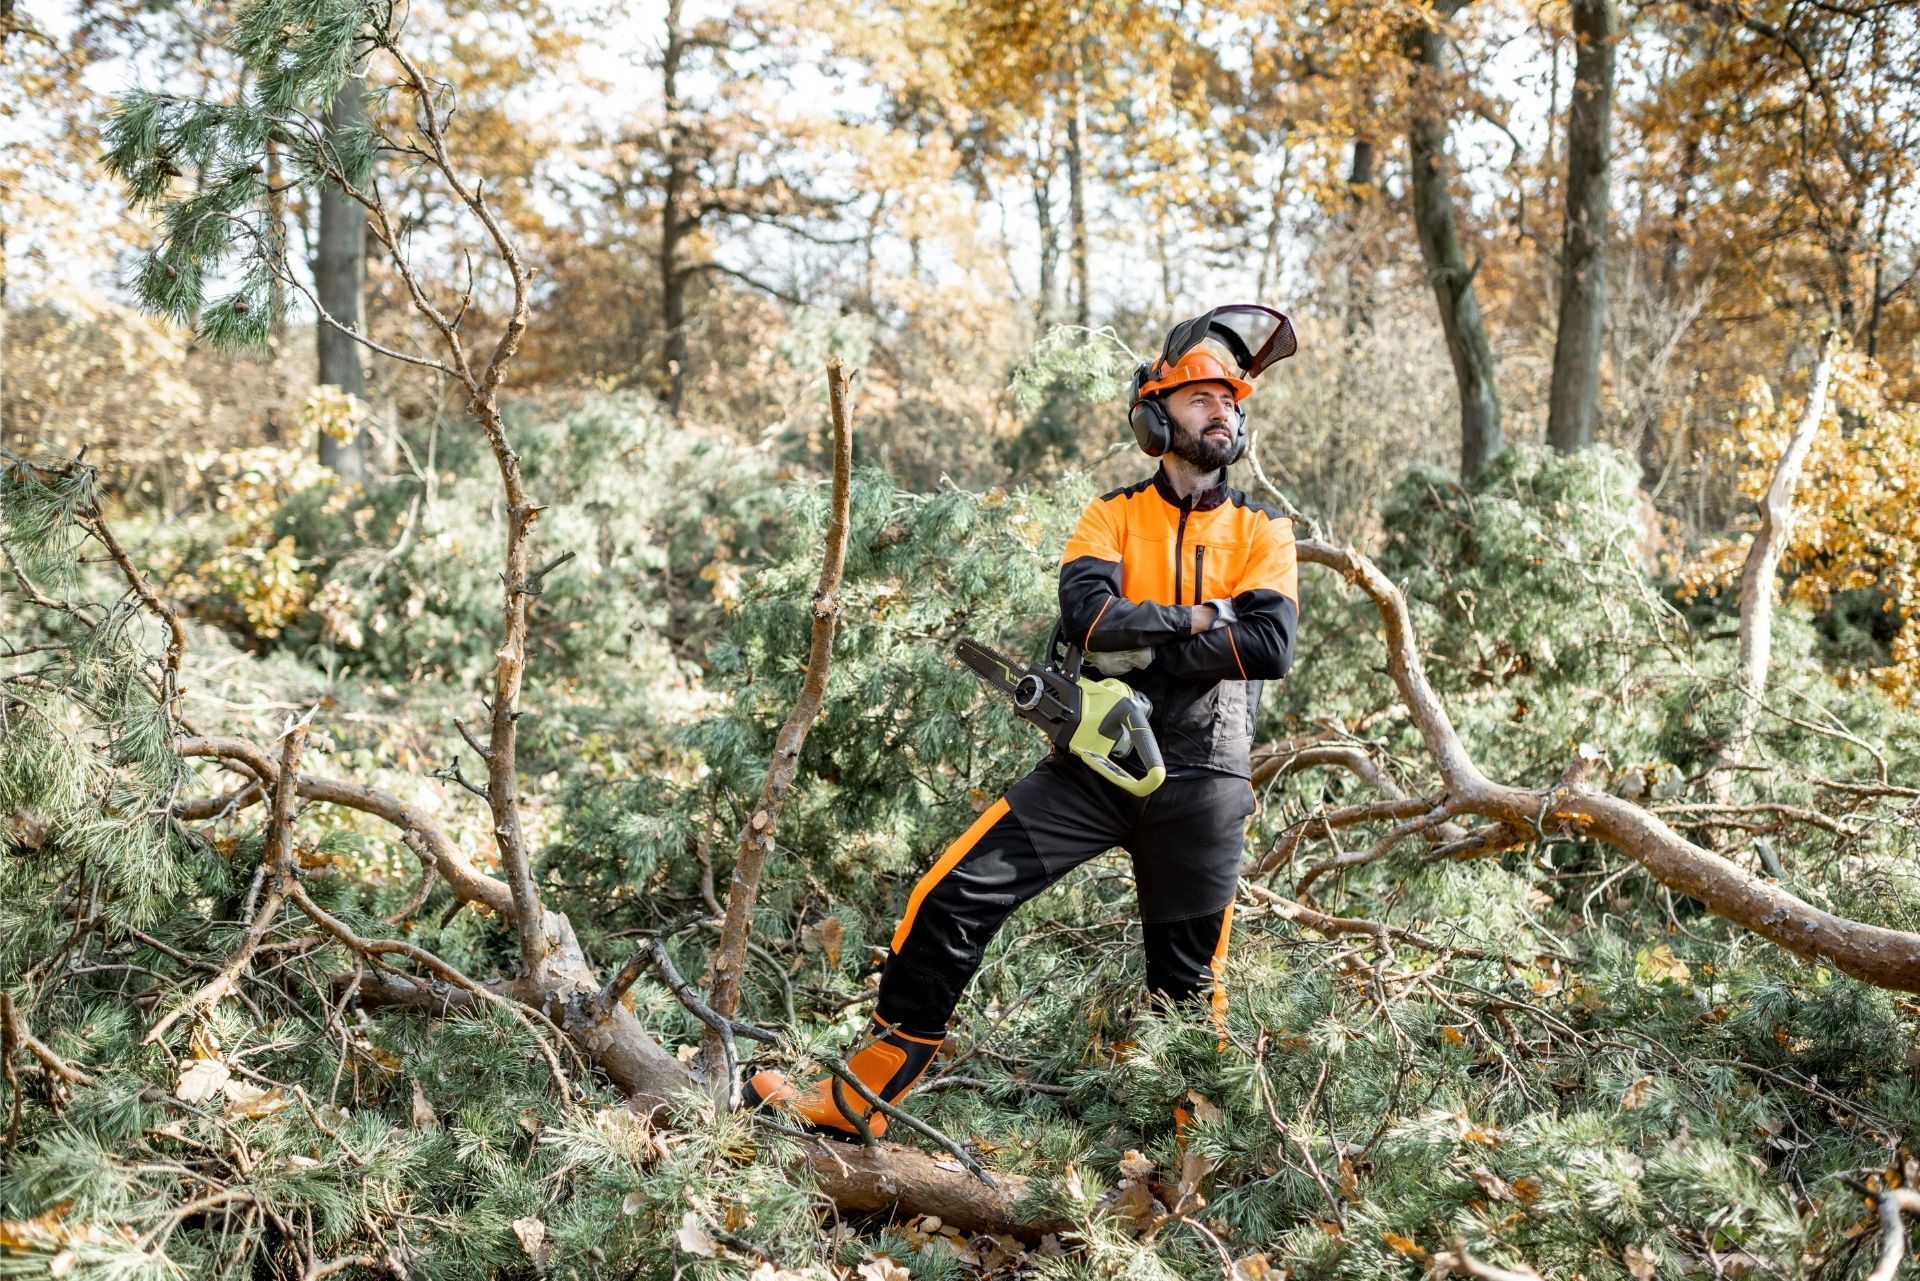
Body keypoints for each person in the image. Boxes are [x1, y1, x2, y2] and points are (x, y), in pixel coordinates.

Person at [747, 306, 1301, 1138]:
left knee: (1189, 991)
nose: (1220, 411)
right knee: (949, 897)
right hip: (1093, 768)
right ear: (1155, 417)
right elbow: (1089, 619)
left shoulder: (1263, 528)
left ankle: (1197, 1165)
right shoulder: (1111, 515)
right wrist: (1201, 619)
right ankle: (860, 1100)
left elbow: (1268, 644)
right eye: (1200, 398)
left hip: (1203, 780)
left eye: (1230, 401)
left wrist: (1146, 635)